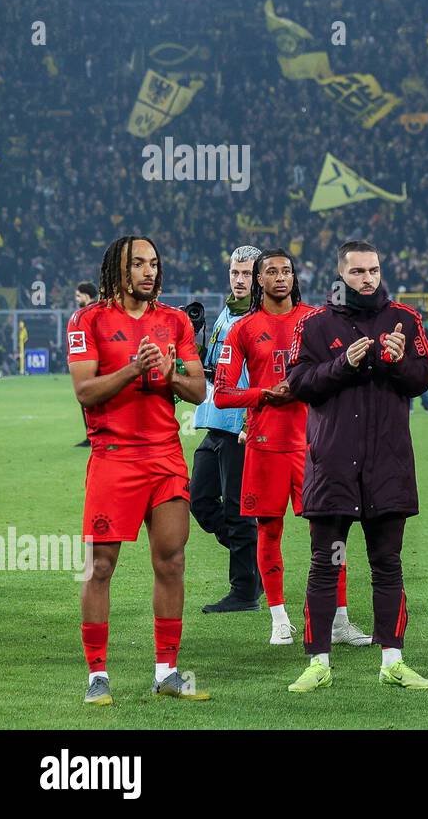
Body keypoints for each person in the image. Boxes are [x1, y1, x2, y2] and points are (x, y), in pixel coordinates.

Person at [285, 240, 428, 692]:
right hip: (332, 465)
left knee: (387, 563)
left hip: (387, 466)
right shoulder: (314, 325)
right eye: (357, 272)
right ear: (340, 275)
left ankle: (393, 660)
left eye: (373, 270)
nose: (368, 279)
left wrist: (396, 362)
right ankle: (318, 663)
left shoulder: (405, 320)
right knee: (324, 565)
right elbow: (298, 384)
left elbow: (425, 376)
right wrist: (342, 364)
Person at [68, 236, 209, 705]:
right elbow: (85, 392)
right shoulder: (87, 320)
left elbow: (198, 390)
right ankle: (97, 675)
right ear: (118, 269)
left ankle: (167, 671)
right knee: (99, 566)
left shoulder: (174, 321)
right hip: (113, 457)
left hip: (165, 456)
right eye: (139, 264)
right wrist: (134, 369)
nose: (149, 272)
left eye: (154, 264)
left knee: (171, 560)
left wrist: (168, 375)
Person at [213, 249, 372, 647]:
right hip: (266, 445)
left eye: (286, 270)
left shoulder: (316, 320)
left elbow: (341, 374)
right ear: (258, 281)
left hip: (316, 444)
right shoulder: (243, 330)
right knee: (269, 532)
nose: (280, 277)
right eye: (271, 271)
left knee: (331, 532)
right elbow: (222, 394)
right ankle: (279, 617)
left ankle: (339, 620)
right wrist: (264, 394)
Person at [189, 246, 263, 613]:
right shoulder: (225, 312)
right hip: (214, 420)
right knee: (199, 501)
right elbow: (214, 368)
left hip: (240, 426)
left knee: (237, 511)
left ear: (260, 277)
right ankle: (252, 560)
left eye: (246, 274)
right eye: (235, 273)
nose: (239, 280)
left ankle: (245, 590)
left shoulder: (260, 318)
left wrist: (252, 421)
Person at [72, 281, 98, 447]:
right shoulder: (97, 310)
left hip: (94, 363)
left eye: (78, 295)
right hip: (93, 362)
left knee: (90, 398)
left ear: (86, 295)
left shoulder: (91, 313)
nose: (76, 299)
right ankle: (91, 435)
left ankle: (93, 436)